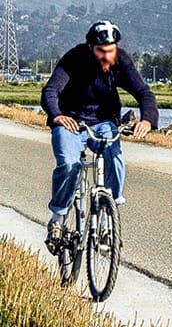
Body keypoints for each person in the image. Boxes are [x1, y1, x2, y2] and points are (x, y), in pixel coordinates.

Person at [41, 20, 159, 254]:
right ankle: (58, 218)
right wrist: (56, 116)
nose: (107, 56)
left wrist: (147, 119)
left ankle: (108, 214)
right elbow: (51, 91)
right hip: (71, 121)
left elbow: (144, 92)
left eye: (111, 50)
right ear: (90, 47)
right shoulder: (74, 58)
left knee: (115, 158)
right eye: (101, 51)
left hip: (104, 122)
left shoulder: (121, 61)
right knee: (69, 164)